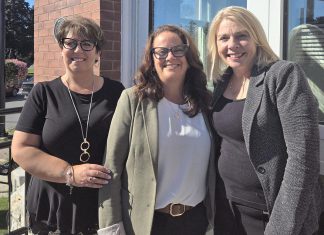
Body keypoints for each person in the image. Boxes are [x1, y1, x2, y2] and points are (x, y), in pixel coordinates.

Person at [207, 6, 324, 235]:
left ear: (256, 38)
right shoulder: (221, 83)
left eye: (242, 35)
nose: (232, 45)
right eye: (224, 38)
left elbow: (304, 157)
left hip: (267, 214)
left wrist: (280, 227)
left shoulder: (282, 76)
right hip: (226, 207)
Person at [98, 25, 215, 235]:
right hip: (147, 224)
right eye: (161, 51)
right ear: (152, 59)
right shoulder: (133, 100)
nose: (170, 56)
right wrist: (111, 228)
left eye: (178, 49)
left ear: (188, 57)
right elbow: (112, 168)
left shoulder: (205, 103)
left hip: (196, 222)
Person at [11, 16, 124, 234]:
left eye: (87, 44)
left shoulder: (117, 93)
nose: (78, 50)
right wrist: (69, 173)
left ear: (98, 53)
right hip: (52, 210)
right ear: (62, 49)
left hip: (102, 207)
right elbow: (21, 149)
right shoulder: (43, 93)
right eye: (70, 43)